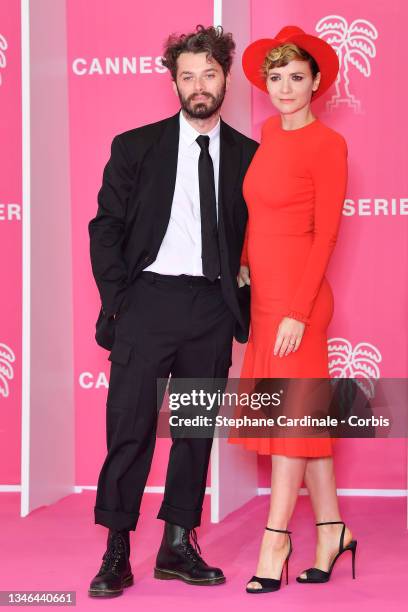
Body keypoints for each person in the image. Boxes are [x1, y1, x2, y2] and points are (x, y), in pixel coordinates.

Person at [87, 25, 258, 597]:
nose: (199, 85)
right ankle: (115, 551)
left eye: (209, 73)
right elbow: (105, 228)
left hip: (211, 306)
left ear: (225, 78)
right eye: (187, 76)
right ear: (174, 82)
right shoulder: (135, 146)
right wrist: (120, 300)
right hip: (147, 303)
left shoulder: (248, 156)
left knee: (193, 431)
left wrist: (245, 290)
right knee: (129, 428)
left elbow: (259, 237)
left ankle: (177, 545)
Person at [229, 26, 357, 593]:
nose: (283, 88)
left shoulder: (329, 145)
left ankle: (275, 539)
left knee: (289, 424)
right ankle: (332, 530)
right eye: (275, 78)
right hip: (264, 299)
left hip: (300, 304)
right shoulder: (266, 134)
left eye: (295, 78)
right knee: (303, 424)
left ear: (316, 83)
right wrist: (243, 262)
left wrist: (298, 312)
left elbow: (325, 235)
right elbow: (258, 211)